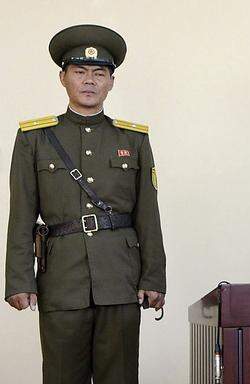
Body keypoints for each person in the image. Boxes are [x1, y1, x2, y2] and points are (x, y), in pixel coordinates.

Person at [4, 24, 166, 383]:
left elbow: (147, 214)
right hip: (62, 279)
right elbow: (22, 214)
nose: (89, 81)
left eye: (99, 73)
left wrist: (153, 276)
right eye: (79, 72)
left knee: (120, 376)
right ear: (63, 78)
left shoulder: (134, 138)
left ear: (111, 82)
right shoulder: (35, 138)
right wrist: (19, 279)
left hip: (120, 277)